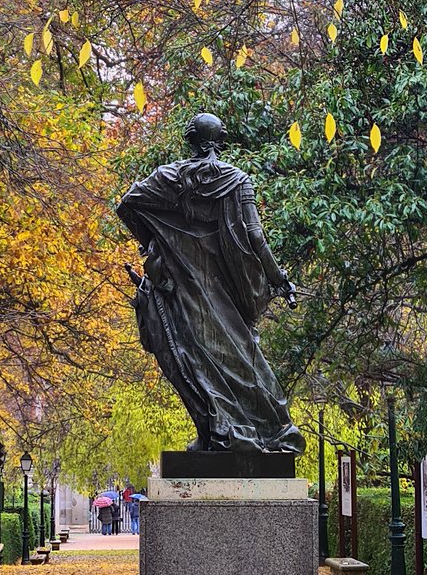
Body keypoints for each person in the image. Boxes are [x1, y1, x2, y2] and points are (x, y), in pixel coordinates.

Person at [117, 112, 305, 454]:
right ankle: (230, 432)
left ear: (190, 140)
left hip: (184, 288)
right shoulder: (238, 180)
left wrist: (156, 246)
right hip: (223, 290)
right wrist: (279, 279)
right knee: (240, 358)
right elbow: (255, 238)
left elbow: (128, 205)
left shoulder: (168, 177)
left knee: (195, 359)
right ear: (220, 141)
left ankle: (224, 432)